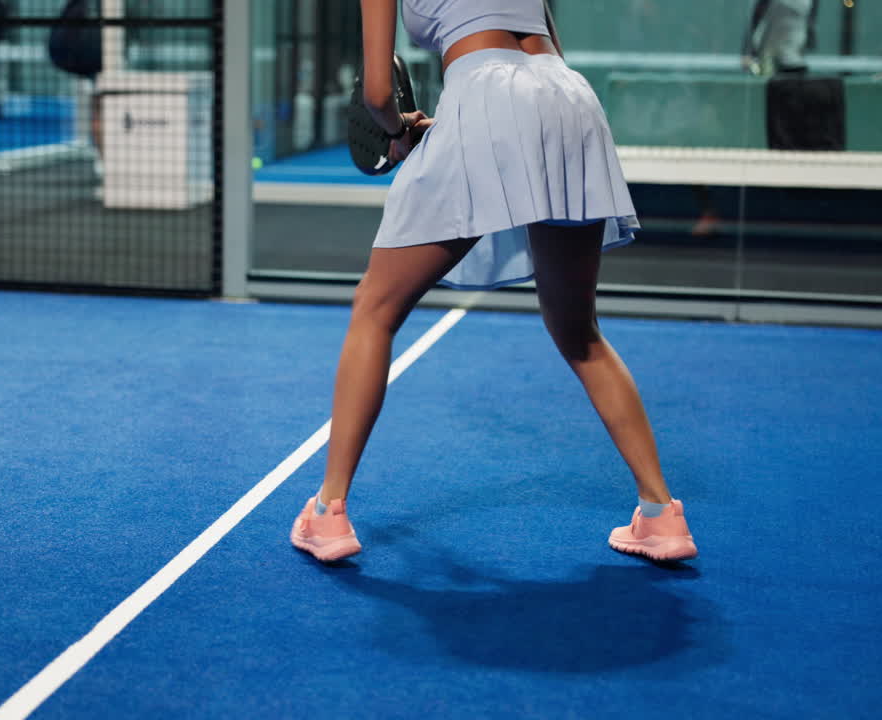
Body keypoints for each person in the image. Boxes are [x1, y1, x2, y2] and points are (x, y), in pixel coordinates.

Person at [290, 0, 698, 564]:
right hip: (568, 97)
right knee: (580, 333)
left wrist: (400, 131)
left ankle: (328, 513)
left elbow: (378, 95)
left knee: (375, 308)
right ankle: (661, 515)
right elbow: (543, 40)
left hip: (484, 96)